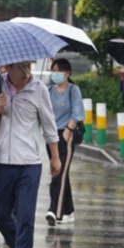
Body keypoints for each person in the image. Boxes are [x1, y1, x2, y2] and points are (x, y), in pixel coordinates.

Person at [0, 61, 61, 248]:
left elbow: (49, 124)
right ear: (9, 68)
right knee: (0, 213)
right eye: (21, 67)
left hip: (30, 163)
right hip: (1, 161)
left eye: (28, 66)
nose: (26, 72)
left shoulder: (39, 89)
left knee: (25, 215)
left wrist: (55, 156)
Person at [45, 58, 85, 226]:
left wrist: (68, 130)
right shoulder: (48, 91)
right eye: (53, 70)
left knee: (58, 174)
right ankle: (68, 211)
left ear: (67, 73)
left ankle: (55, 211)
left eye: (59, 71)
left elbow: (78, 113)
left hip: (66, 135)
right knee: (61, 173)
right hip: (51, 136)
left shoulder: (73, 90)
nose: (55, 74)